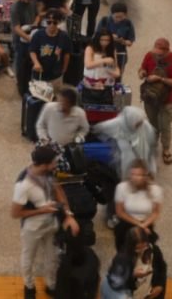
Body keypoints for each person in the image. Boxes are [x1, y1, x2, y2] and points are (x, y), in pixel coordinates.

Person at [12, 146, 79, 299]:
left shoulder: (49, 173)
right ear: (43, 165)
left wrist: (68, 215)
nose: (56, 164)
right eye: (53, 162)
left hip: (51, 224)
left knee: (53, 257)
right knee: (28, 259)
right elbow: (15, 213)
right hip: (32, 228)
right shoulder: (23, 185)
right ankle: (29, 287)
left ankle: (51, 284)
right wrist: (41, 210)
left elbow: (58, 191)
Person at [137, 39, 172, 166]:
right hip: (151, 97)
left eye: (160, 53)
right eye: (156, 52)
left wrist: (160, 78)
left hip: (166, 100)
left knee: (165, 124)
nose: (157, 55)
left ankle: (166, 148)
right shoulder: (150, 55)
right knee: (152, 121)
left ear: (167, 50)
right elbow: (142, 68)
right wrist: (141, 73)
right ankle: (153, 142)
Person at [93, 106, 158, 185]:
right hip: (124, 167)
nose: (140, 124)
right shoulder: (117, 125)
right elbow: (98, 128)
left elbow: (151, 150)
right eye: (137, 123)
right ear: (131, 121)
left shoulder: (145, 126)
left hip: (141, 166)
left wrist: (152, 169)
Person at [99, 226, 167, 299]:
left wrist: (160, 285)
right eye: (138, 249)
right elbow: (116, 283)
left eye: (144, 247)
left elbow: (162, 268)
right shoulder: (122, 259)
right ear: (130, 246)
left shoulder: (154, 250)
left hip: (149, 293)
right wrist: (132, 275)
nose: (142, 251)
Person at [113, 159, 163, 251]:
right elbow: (120, 212)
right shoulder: (121, 188)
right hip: (126, 224)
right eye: (133, 174)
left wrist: (143, 226)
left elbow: (155, 213)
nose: (136, 178)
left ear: (146, 176)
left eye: (139, 175)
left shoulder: (156, 190)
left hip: (146, 223)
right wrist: (140, 226)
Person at [29, 9, 72, 88]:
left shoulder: (65, 37)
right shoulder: (38, 35)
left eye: (54, 22)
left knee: (55, 97)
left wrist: (64, 69)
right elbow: (32, 50)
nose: (51, 25)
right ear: (46, 21)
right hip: (40, 74)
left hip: (56, 74)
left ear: (59, 22)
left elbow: (66, 54)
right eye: (49, 22)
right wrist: (36, 62)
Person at [12, 0, 39, 96]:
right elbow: (17, 29)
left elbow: (37, 15)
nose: (30, 2)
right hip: (20, 39)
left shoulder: (33, 1)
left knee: (30, 60)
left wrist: (35, 23)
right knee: (20, 61)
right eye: (28, 0)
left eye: (32, 0)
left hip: (31, 33)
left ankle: (29, 80)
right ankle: (20, 82)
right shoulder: (15, 7)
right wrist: (29, 39)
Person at [97, 3, 135, 79]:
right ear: (112, 14)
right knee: (101, 76)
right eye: (116, 17)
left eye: (122, 17)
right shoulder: (104, 21)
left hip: (119, 54)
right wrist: (108, 37)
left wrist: (122, 41)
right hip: (104, 53)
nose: (119, 19)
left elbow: (130, 42)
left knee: (117, 77)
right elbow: (96, 37)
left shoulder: (128, 24)